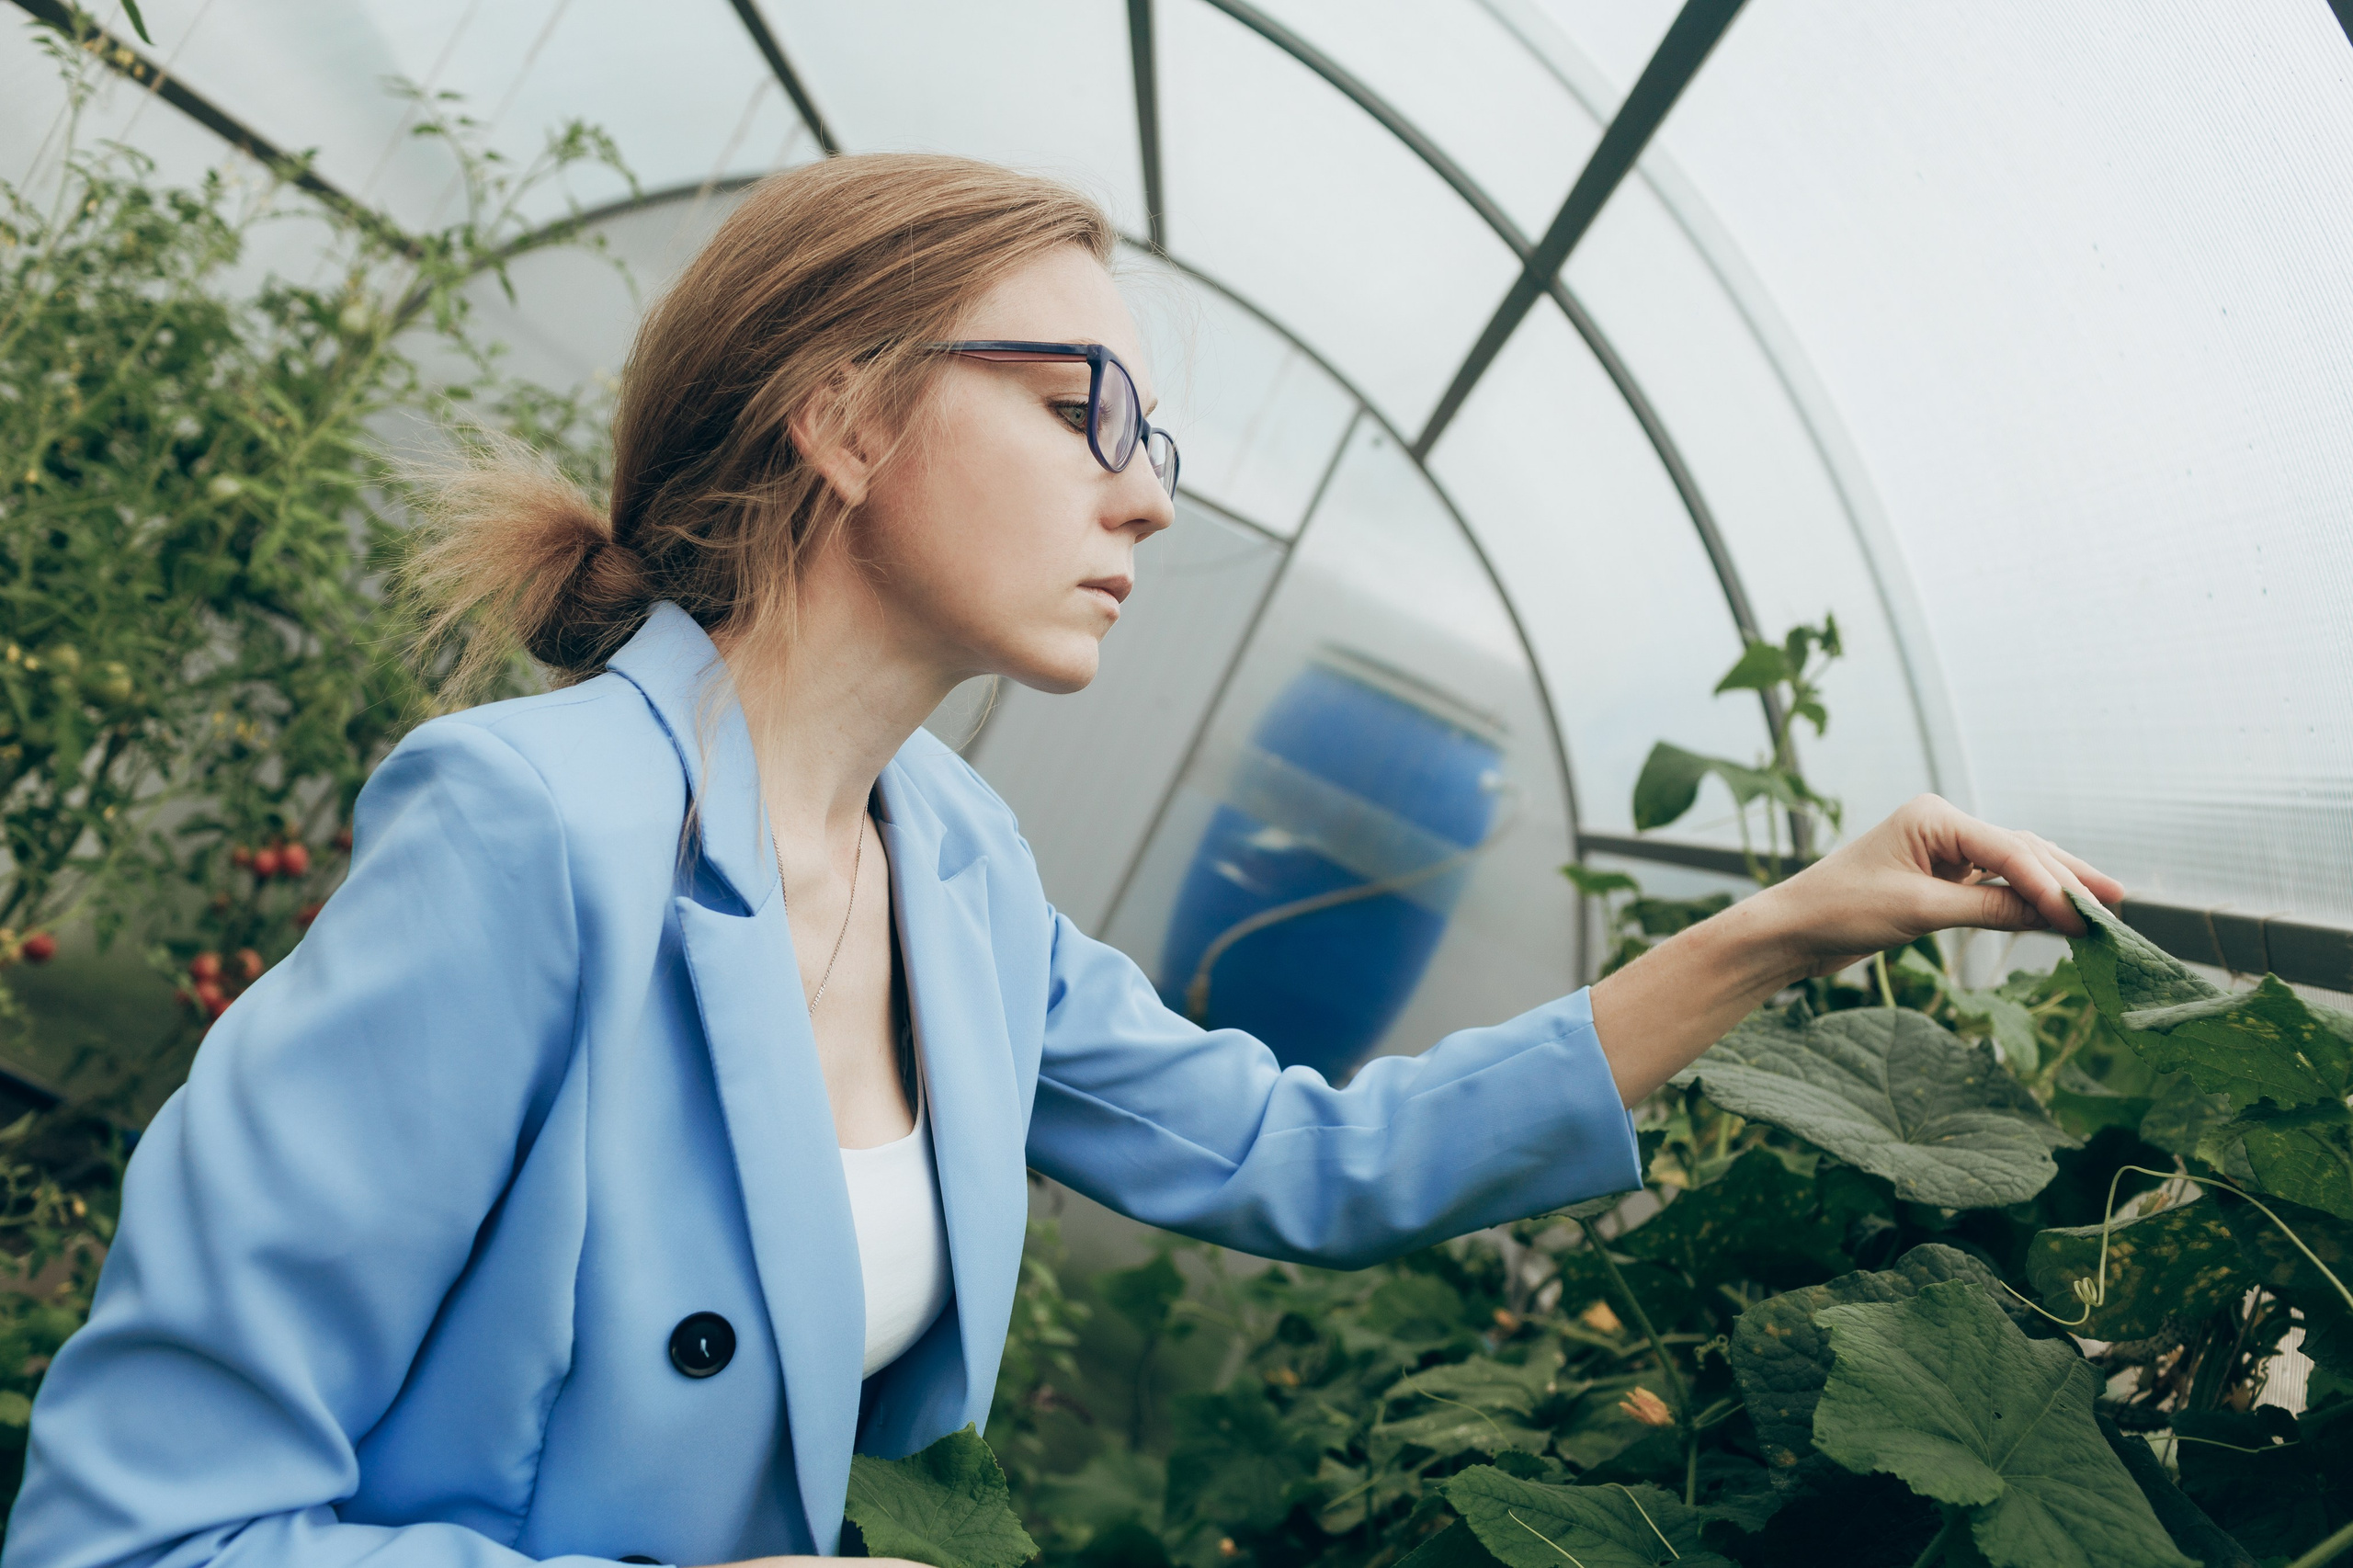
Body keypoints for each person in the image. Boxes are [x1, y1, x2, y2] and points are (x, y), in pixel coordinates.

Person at [4, 153, 2122, 1568]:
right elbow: (141, 1528)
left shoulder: (954, 869)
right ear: (839, 417)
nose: (1146, 497)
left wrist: (1788, 924)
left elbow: (1309, 1159)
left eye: (1149, 438)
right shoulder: (527, 830)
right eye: (1076, 405)